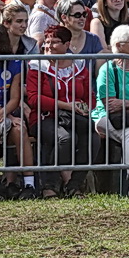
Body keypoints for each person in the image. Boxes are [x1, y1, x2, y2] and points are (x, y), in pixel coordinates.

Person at [24, 23, 98, 197]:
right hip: (45, 117)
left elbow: (90, 95)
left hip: (75, 117)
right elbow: (34, 98)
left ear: (67, 45)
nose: (49, 46)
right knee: (65, 138)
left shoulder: (79, 65)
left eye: (55, 42)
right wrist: (66, 105)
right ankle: (49, 184)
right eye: (47, 42)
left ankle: (74, 185)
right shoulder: (37, 65)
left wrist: (86, 108)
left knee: (93, 138)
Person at [91, 25, 129, 174]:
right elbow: (110, 105)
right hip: (108, 117)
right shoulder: (108, 69)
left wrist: (126, 103)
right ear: (119, 45)